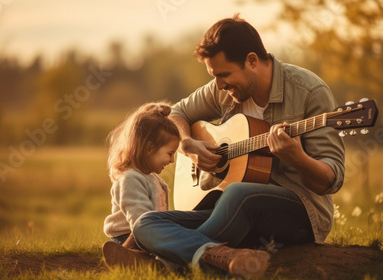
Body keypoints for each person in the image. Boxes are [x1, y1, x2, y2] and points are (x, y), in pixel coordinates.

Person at [132, 14, 345, 279]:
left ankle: (164, 260)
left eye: (224, 75)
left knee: (239, 194)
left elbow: (332, 179)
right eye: (214, 76)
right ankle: (223, 257)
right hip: (229, 209)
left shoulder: (310, 91)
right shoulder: (222, 88)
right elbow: (177, 113)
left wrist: (297, 157)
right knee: (147, 221)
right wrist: (187, 144)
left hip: (300, 210)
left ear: (252, 61)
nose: (219, 85)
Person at [102, 101, 180, 268]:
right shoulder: (130, 179)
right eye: (170, 153)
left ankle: (149, 262)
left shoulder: (153, 179)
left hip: (147, 234)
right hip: (129, 237)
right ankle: (126, 256)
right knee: (171, 252)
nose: (172, 160)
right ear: (149, 148)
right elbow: (140, 221)